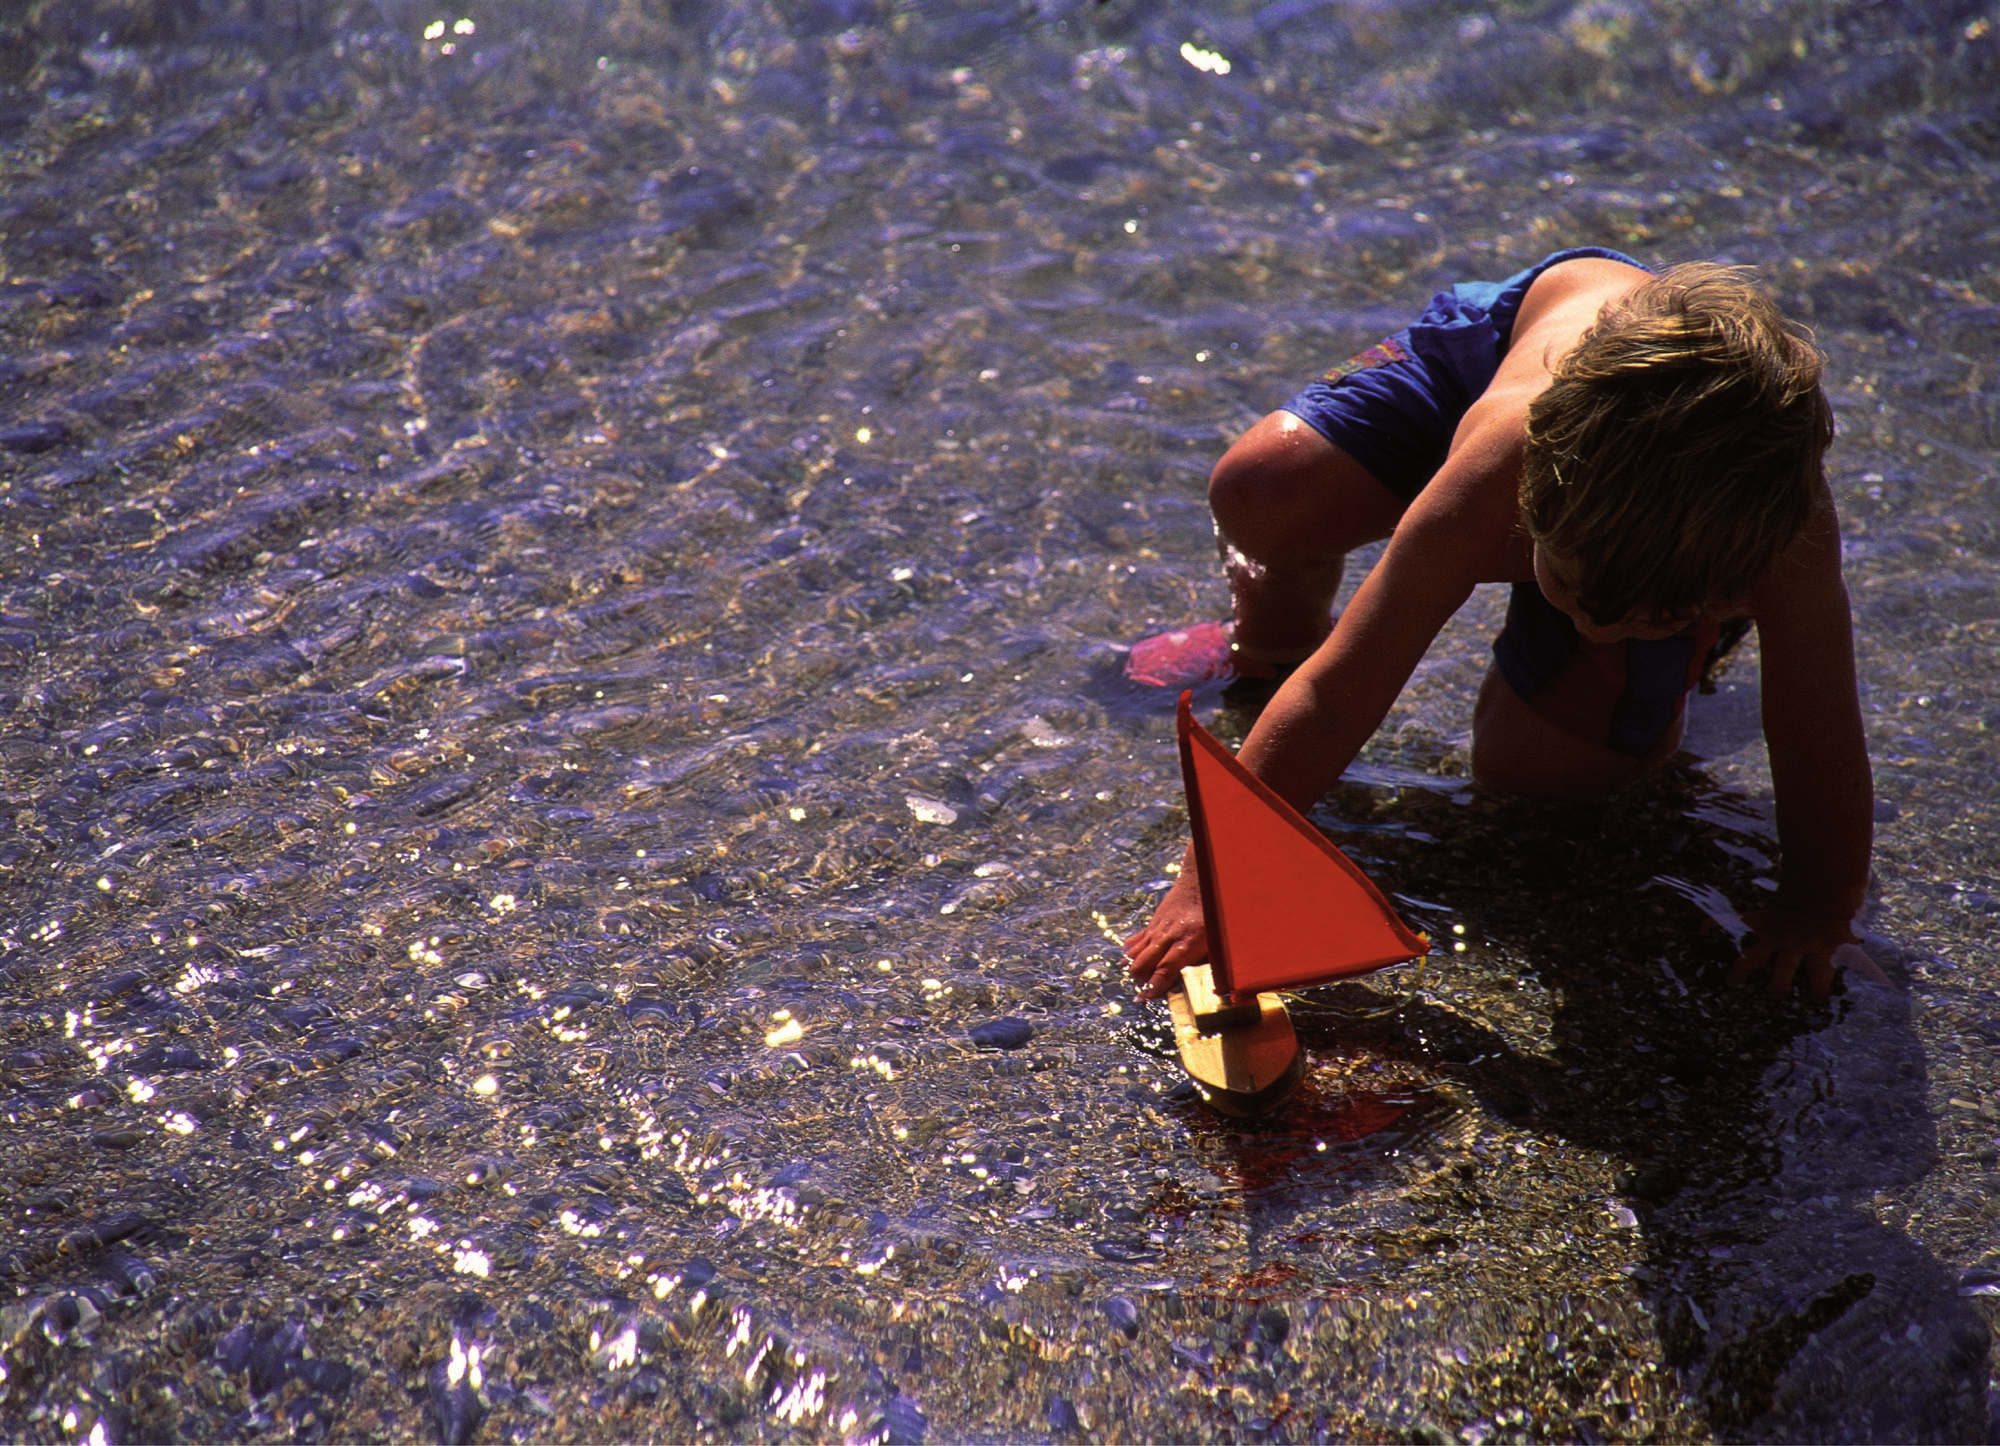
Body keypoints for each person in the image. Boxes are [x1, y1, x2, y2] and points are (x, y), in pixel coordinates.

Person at [1121, 249, 1873, 1002]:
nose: (1604, 629)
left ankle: (1668, 638)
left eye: (1656, 618)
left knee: (1540, 774)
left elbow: (1818, 728)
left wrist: (1815, 906)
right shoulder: (1498, 466)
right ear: (1531, 511)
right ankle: (1270, 638)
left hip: (1664, 520)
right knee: (1264, 488)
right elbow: (1340, 689)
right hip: (1509, 350)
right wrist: (1212, 883)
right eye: (1577, 596)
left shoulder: (1788, 538)